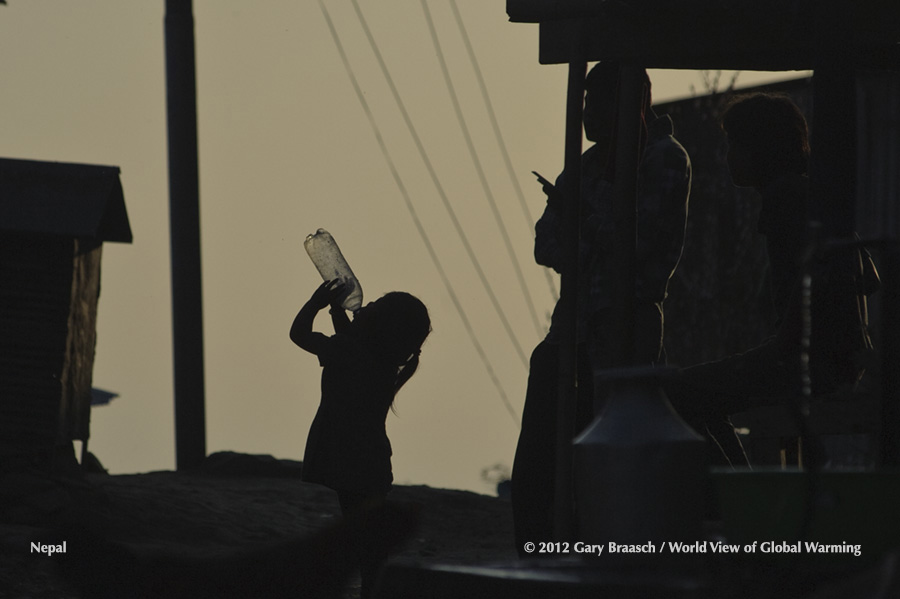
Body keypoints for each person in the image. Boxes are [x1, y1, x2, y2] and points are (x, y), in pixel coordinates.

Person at [511, 62, 691, 555]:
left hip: (624, 324)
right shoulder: (586, 165)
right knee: (540, 456)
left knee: (609, 452)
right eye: (585, 101)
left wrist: (582, 221)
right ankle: (540, 551)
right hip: (573, 326)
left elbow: (636, 242)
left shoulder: (662, 159)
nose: (587, 112)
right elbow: (547, 246)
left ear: (628, 104)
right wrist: (589, 227)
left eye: (597, 102)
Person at [669, 93, 878, 466]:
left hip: (811, 364)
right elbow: (868, 277)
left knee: (673, 393)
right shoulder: (808, 194)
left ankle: (731, 499)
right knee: (697, 393)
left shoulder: (785, 199)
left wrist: (781, 347)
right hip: (837, 360)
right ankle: (740, 486)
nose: (728, 155)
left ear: (761, 148)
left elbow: (812, 290)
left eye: (735, 144)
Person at [290, 279, 431, 598]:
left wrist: (315, 303)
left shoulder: (349, 352)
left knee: (359, 539)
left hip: (350, 462)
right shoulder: (382, 362)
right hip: (371, 464)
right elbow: (351, 343)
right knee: (367, 542)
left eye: (373, 308)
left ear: (380, 327)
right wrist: (337, 313)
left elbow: (298, 334)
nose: (364, 306)